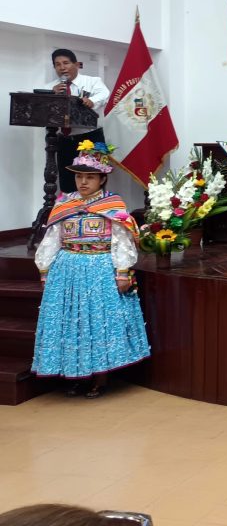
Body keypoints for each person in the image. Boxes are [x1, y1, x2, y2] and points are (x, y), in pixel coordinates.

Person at [32, 141, 150, 398]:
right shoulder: (64, 205)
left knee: (97, 324)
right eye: (79, 177)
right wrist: (45, 269)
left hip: (100, 270)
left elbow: (121, 240)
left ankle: (100, 377)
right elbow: (51, 239)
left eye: (90, 177)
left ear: (102, 179)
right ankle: (74, 375)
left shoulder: (113, 207)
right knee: (69, 324)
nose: (83, 182)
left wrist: (122, 271)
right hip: (66, 270)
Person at [50, 48, 110, 193]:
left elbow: (104, 94)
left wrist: (92, 101)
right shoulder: (52, 87)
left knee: (93, 181)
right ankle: (71, 207)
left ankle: (95, 207)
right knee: (67, 182)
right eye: (58, 64)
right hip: (64, 140)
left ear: (76, 64)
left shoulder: (92, 81)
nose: (62, 67)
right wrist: (52, 94)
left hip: (91, 138)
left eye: (66, 63)